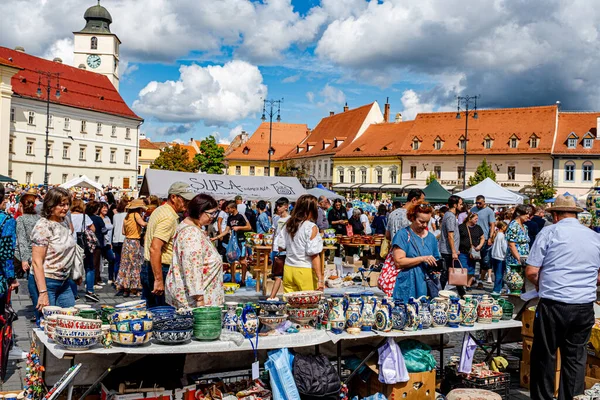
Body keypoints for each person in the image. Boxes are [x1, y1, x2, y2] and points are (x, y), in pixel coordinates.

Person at [526, 196, 600, 400]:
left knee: (545, 356)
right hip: (584, 305)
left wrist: (542, 284)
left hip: (555, 303)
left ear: (556, 215)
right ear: (576, 215)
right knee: (575, 359)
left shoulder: (550, 232)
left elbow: (532, 271)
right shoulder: (594, 236)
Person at [166, 194, 223, 309]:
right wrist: (200, 300)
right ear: (199, 211)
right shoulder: (191, 234)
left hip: (199, 298)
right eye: (211, 213)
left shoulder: (193, 228)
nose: (213, 217)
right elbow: (192, 268)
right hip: (195, 303)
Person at [143, 183, 195, 308]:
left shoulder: (160, 210)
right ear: (173, 197)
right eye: (184, 199)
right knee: (164, 315)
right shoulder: (169, 217)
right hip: (161, 268)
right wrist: (159, 280)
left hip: (151, 267)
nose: (187, 203)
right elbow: (155, 248)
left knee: (152, 312)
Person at [31, 188, 77, 310]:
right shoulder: (43, 226)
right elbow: (36, 262)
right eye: (61, 205)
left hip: (64, 281)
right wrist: (42, 292)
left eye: (67, 204)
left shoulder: (65, 220)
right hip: (46, 280)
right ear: (51, 206)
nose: (66, 208)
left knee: (69, 319)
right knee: (48, 323)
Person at [391, 203, 440, 303]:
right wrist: (422, 258)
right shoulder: (403, 235)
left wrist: (436, 268)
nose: (425, 225)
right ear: (412, 218)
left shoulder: (431, 238)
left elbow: (436, 258)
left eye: (427, 222)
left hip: (427, 285)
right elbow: (399, 262)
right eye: (421, 222)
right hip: (408, 284)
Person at [276, 194, 324, 293]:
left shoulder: (289, 224)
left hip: (289, 268)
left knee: (290, 304)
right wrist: (320, 278)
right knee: (308, 305)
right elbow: (314, 254)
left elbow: (280, 246)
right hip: (304, 269)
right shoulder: (310, 227)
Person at [15, 189, 41, 321]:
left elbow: (22, 241)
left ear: (22, 205)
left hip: (29, 256)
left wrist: (24, 260)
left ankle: (38, 314)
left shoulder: (20, 219)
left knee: (33, 286)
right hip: (40, 254)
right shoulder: (39, 218)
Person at [212, 200, 252, 285]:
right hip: (233, 242)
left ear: (233, 208)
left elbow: (249, 227)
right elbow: (226, 230)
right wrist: (217, 237)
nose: (227, 210)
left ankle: (243, 280)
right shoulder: (230, 218)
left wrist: (239, 228)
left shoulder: (241, 216)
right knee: (231, 260)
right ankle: (233, 279)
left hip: (241, 241)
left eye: (229, 208)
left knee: (242, 260)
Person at [116, 199, 147, 297]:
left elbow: (123, 232)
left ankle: (125, 287)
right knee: (134, 265)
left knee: (125, 265)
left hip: (126, 242)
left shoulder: (127, 216)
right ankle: (134, 288)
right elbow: (143, 224)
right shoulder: (136, 215)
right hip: (134, 242)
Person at [438, 195, 463, 293]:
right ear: (455, 205)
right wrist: (453, 251)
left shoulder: (450, 216)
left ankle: (461, 293)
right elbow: (450, 235)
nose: (462, 206)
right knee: (449, 273)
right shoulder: (450, 217)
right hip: (448, 250)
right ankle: (461, 294)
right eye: (460, 204)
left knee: (450, 273)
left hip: (450, 250)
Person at [268, 197, 290, 299]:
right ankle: (272, 297)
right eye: (277, 206)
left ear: (286, 206)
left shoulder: (290, 219)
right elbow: (274, 234)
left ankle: (281, 297)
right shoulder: (276, 219)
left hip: (285, 250)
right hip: (275, 249)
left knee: (283, 275)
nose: (278, 208)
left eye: (280, 206)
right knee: (276, 275)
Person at [472, 195, 496, 284]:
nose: (478, 205)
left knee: (485, 260)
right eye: (477, 203)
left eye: (480, 203)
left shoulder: (489, 211)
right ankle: (474, 279)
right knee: (473, 259)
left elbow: (492, 225)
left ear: (484, 202)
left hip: (485, 238)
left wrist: (490, 237)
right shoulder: (473, 209)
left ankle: (481, 279)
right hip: (474, 238)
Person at [458, 213, 485, 289]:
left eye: (477, 218)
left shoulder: (478, 228)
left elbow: (482, 238)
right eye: (475, 218)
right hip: (463, 251)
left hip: (473, 253)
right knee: (463, 268)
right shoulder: (461, 227)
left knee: (471, 269)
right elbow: (456, 239)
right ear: (470, 219)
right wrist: (456, 249)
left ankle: (468, 284)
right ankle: (462, 284)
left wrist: (479, 246)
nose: (477, 220)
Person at [506, 205, 530, 270]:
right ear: (519, 214)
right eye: (526, 214)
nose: (528, 216)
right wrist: (519, 259)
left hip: (524, 259)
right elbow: (511, 245)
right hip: (515, 261)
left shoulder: (524, 226)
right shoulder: (513, 226)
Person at [111, 198, 128, 287]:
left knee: (117, 261)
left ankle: (116, 279)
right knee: (124, 261)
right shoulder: (127, 215)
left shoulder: (115, 216)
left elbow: (114, 227)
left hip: (115, 240)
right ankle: (122, 280)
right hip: (123, 239)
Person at [99, 202, 117, 285]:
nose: (105, 209)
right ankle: (97, 279)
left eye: (106, 208)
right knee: (98, 262)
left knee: (112, 259)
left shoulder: (107, 218)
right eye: (103, 208)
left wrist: (110, 242)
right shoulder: (98, 218)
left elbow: (110, 231)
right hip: (99, 243)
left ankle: (110, 278)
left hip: (107, 243)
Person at [490, 221, 508, 295]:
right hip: (501, 257)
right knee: (499, 274)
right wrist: (507, 253)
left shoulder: (497, 235)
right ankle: (497, 289)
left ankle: (499, 287)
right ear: (503, 227)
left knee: (497, 273)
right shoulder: (502, 236)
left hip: (494, 256)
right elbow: (504, 247)